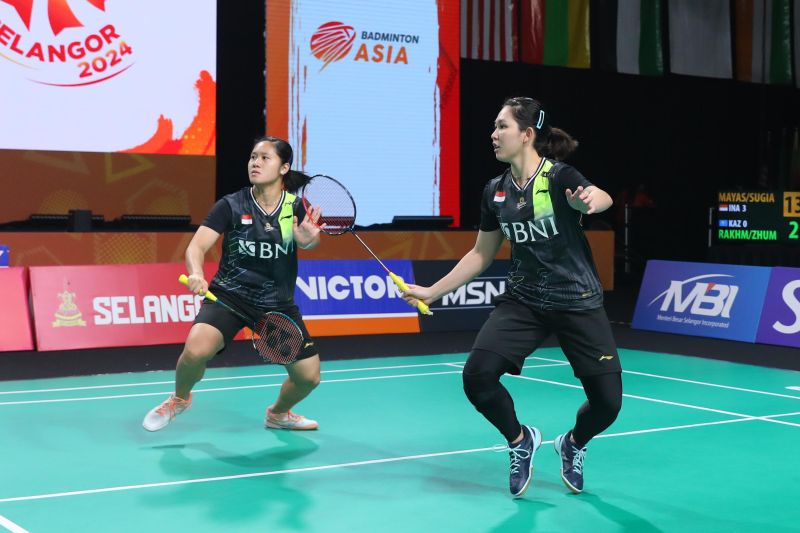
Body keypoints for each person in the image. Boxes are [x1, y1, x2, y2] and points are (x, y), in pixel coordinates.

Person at [403, 97, 622, 497]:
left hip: (576, 299)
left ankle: (573, 443)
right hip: (525, 300)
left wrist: (591, 201)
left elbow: (599, 195)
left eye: (502, 126)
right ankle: (520, 440)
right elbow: (480, 254)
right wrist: (432, 292)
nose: (494, 134)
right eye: (495, 126)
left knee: (608, 404)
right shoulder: (495, 191)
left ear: (527, 134)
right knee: (477, 376)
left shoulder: (558, 176)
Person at [143, 136, 323, 432]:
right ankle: (180, 398)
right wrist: (196, 273)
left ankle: (278, 414)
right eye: (253, 157)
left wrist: (307, 240)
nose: (255, 163)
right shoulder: (232, 205)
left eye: (265, 158)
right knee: (195, 350)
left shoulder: (295, 207)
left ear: (284, 168)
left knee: (308, 378)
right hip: (229, 296)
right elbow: (196, 247)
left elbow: (308, 241)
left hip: (276, 304)